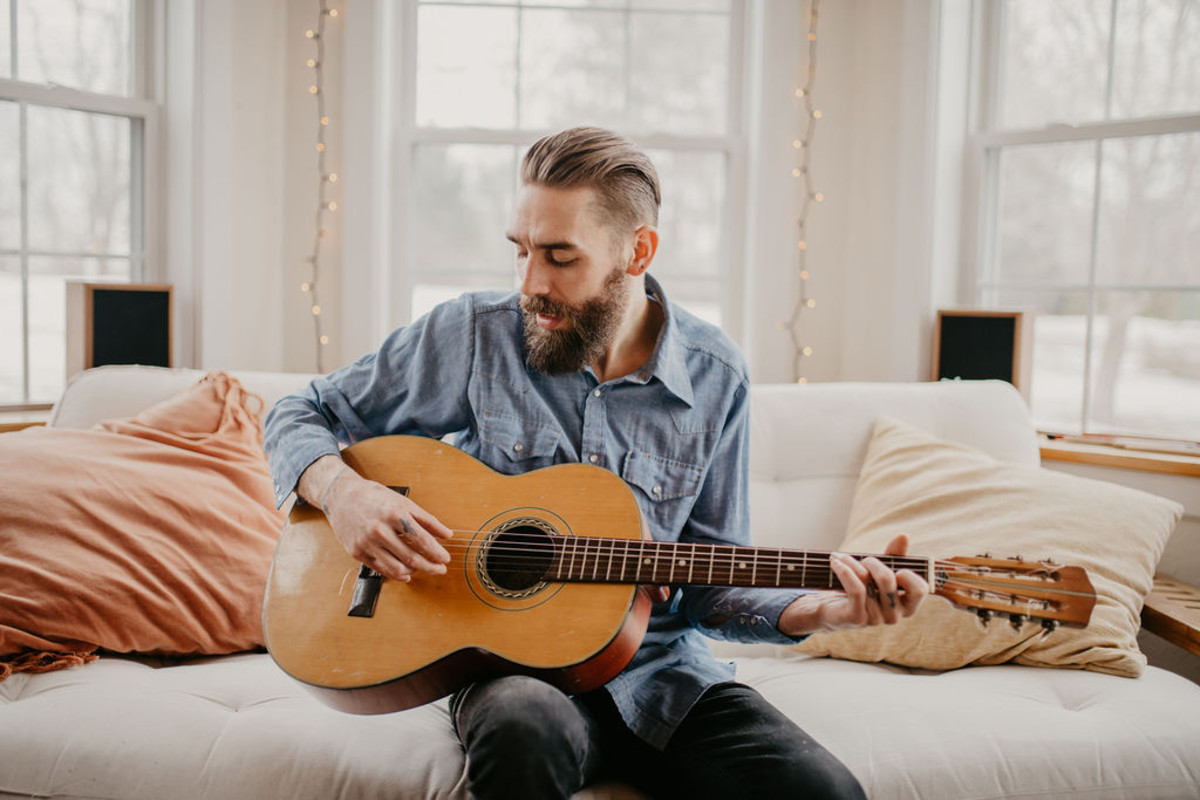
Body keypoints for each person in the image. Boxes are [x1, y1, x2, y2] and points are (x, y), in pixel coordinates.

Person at [263, 126, 928, 799]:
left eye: (559, 256)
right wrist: (344, 495)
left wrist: (824, 611)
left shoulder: (715, 376)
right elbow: (298, 411)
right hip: (511, 674)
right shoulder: (474, 334)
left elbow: (714, 579)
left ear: (637, 251)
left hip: (663, 674)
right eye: (519, 251)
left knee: (824, 793)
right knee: (523, 729)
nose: (529, 283)